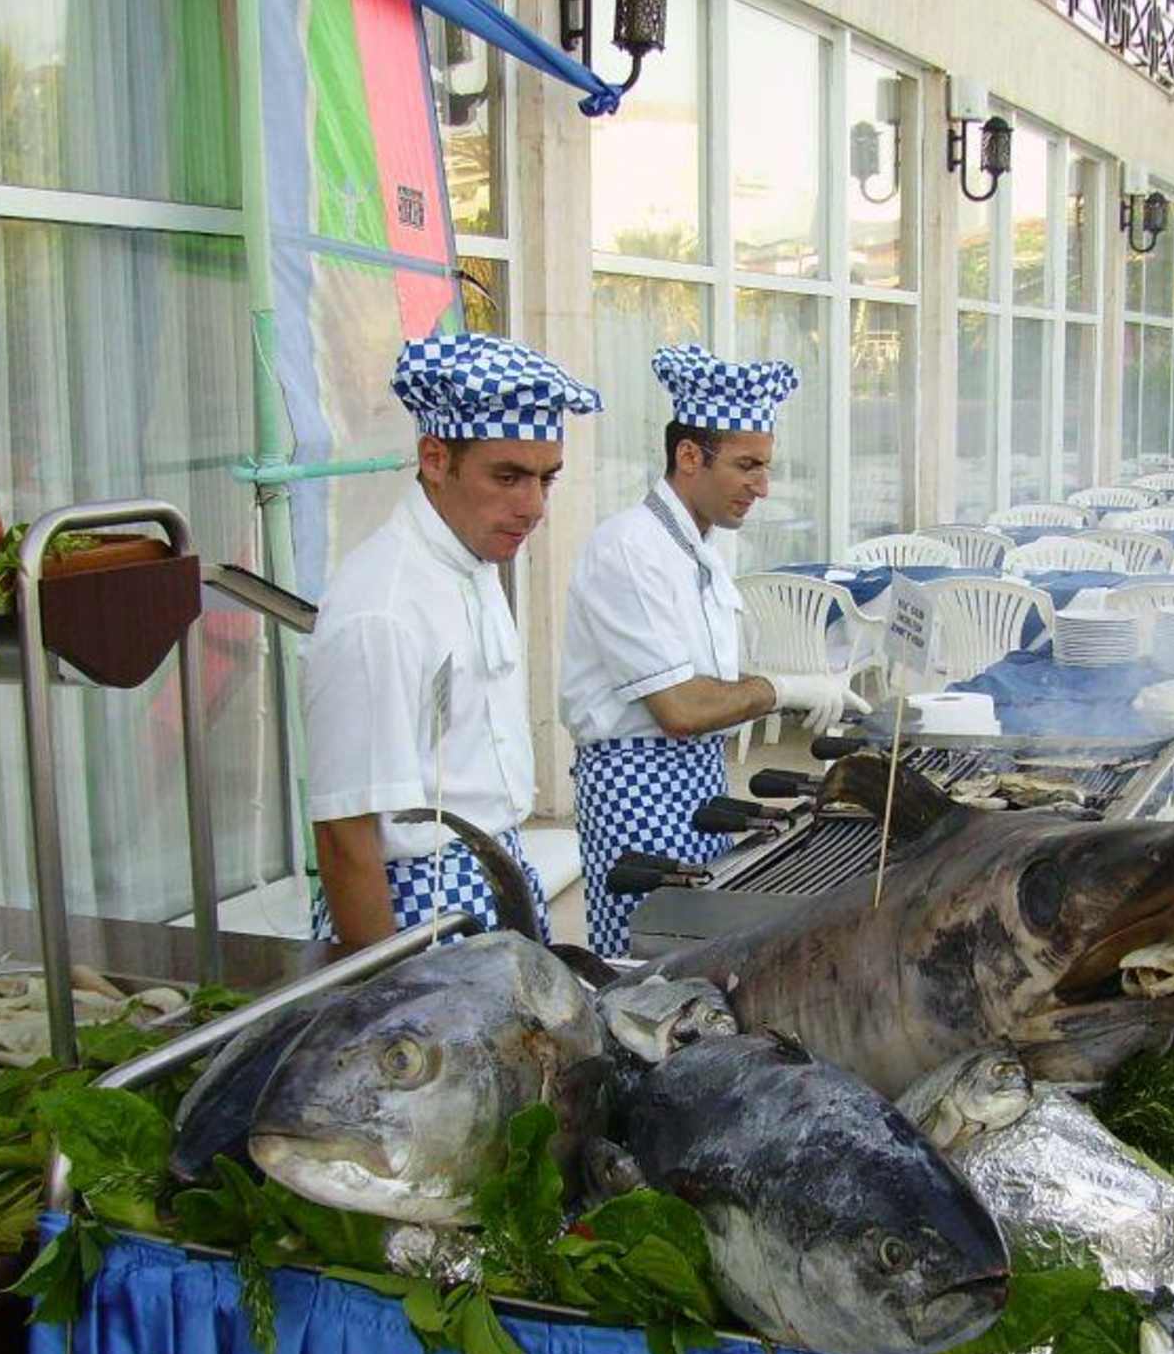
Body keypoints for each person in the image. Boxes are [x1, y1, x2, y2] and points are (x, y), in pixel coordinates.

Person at [559, 344, 869, 957]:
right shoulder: (631, 549)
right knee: (649, 964)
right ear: (689, 456)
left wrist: (789, 687)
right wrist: (783, 690)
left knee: (706, 952)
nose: (763, 486)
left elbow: (706, 680)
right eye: (747, 465)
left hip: (697, 777)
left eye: (766, 466)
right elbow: (680, 708)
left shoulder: (697, 550)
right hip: (638, 788)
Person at [305, 332, 602, 947]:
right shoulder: (381, 608)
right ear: (436, 458)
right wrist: (390, 989)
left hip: (495, 876)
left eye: (547, 479)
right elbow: (344, 839)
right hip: (417, 907)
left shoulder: (472, 561)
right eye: (508, 476)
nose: (533, 507)